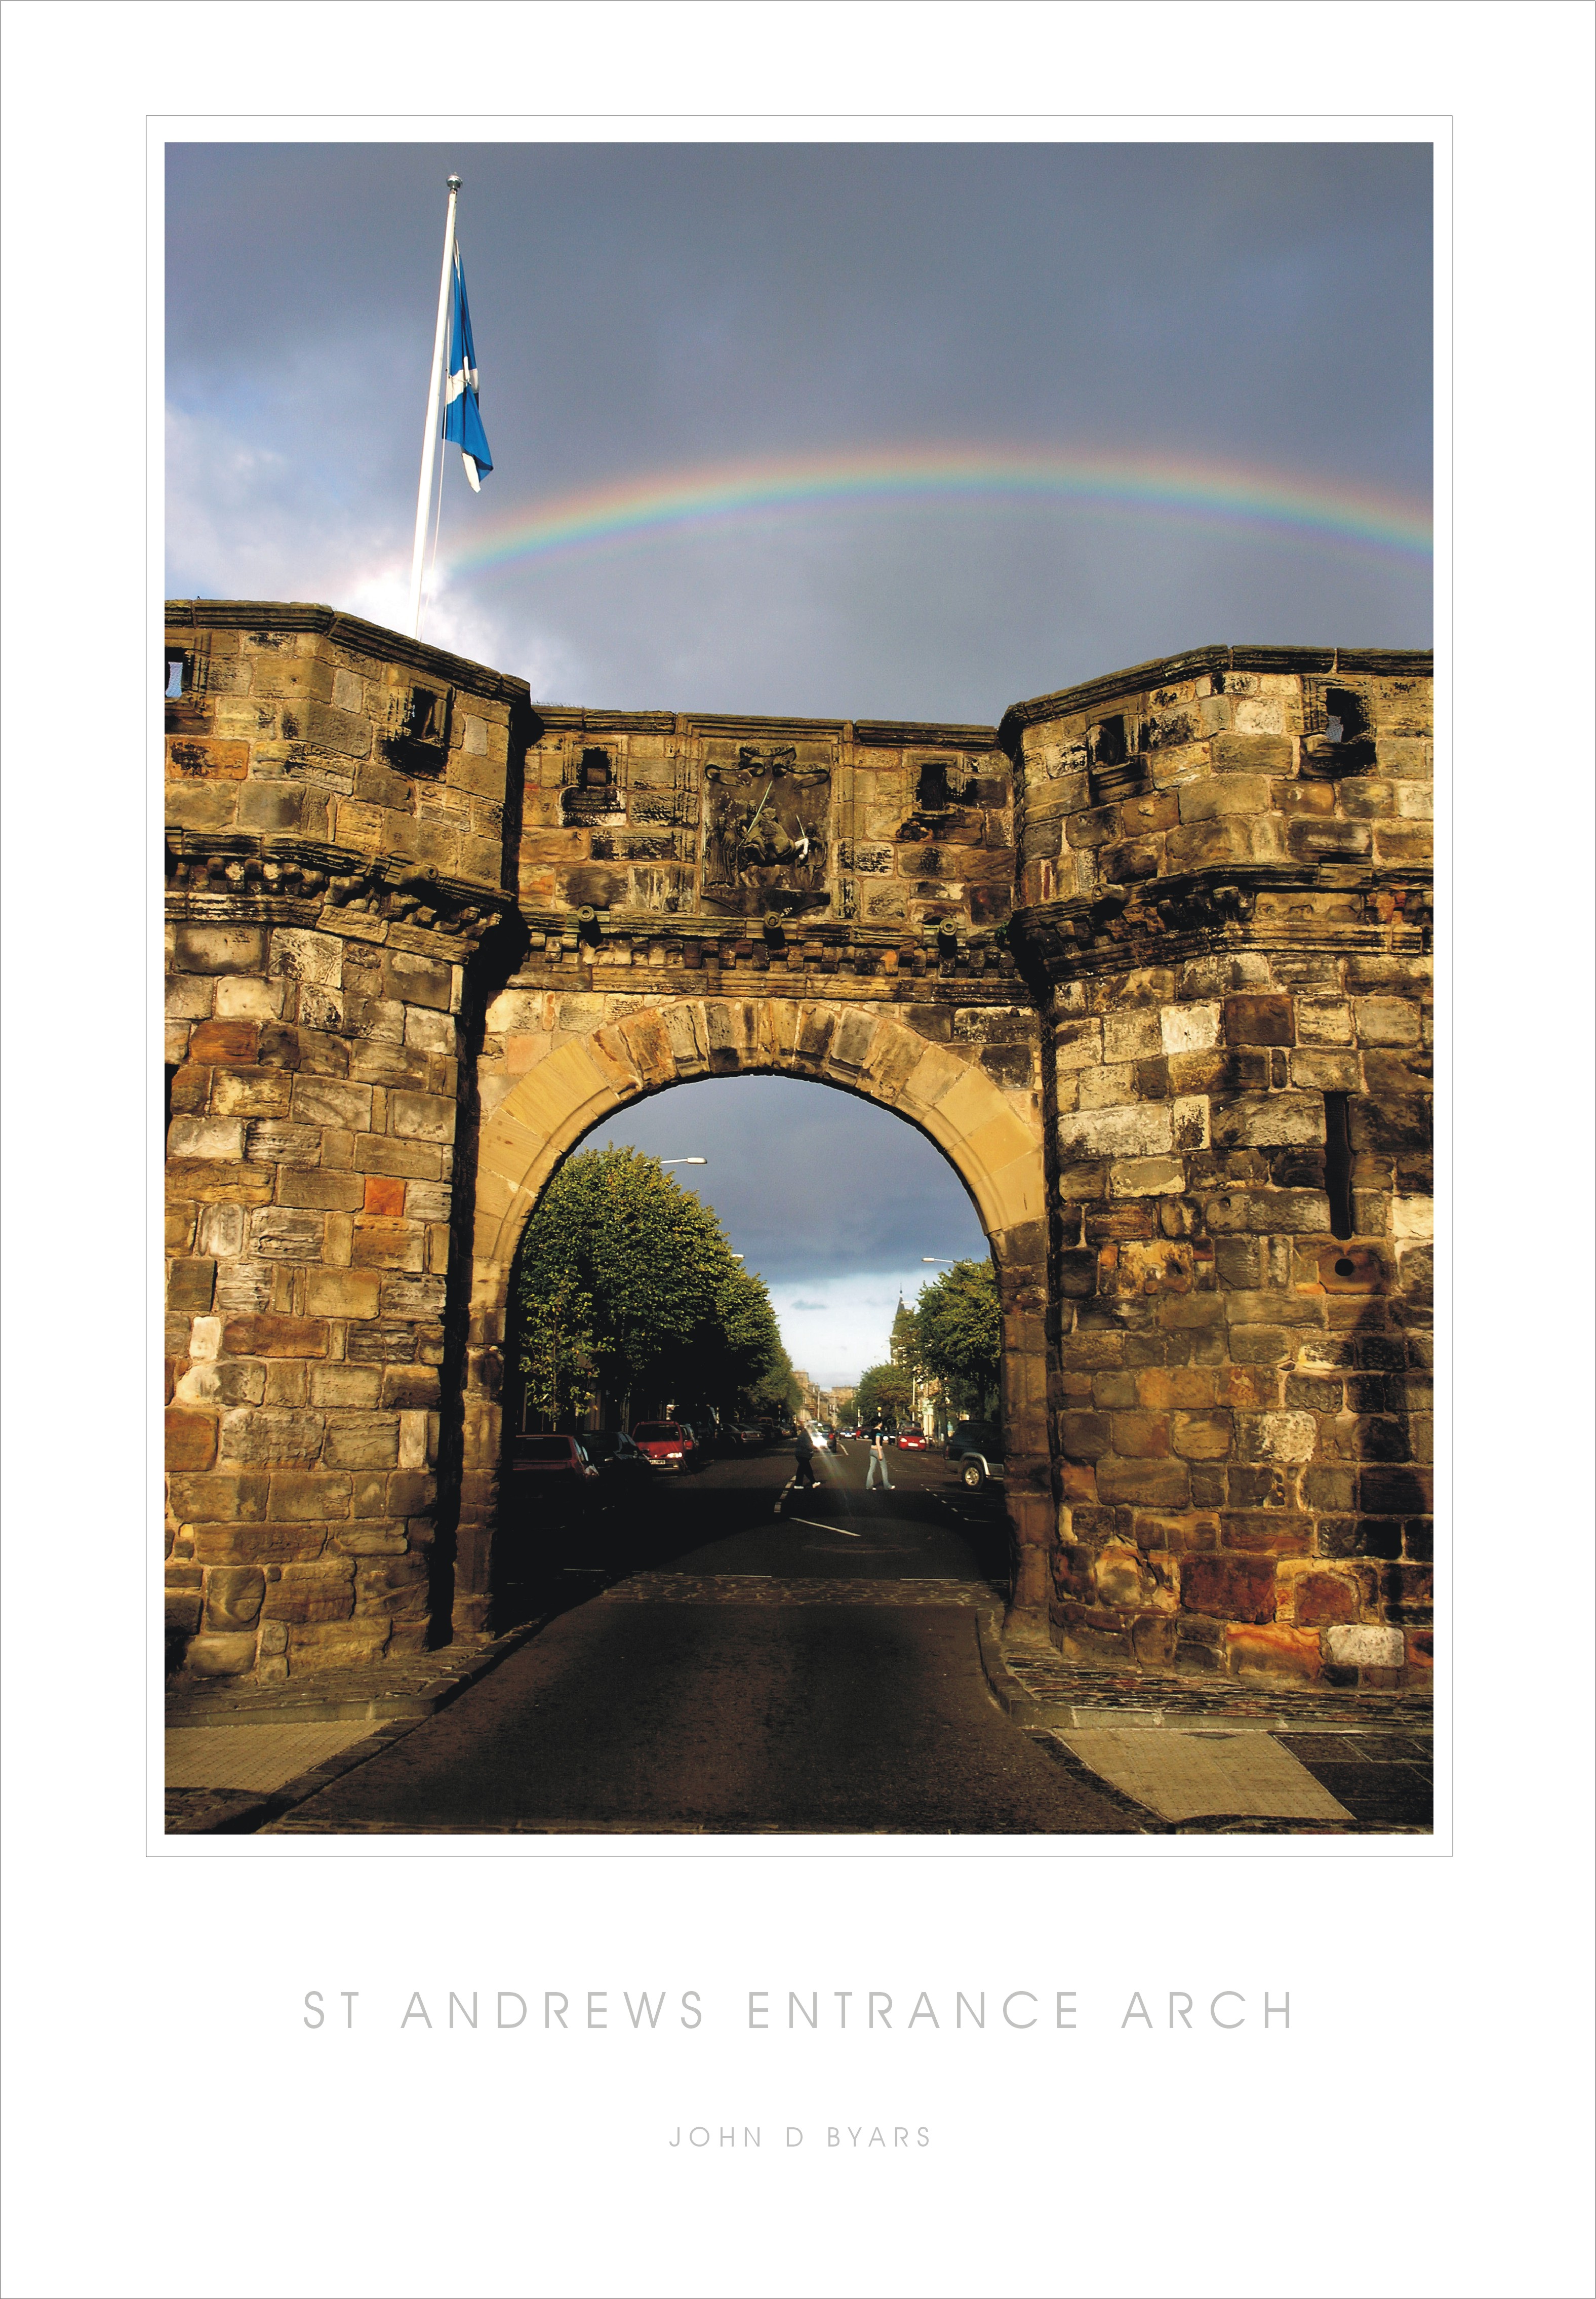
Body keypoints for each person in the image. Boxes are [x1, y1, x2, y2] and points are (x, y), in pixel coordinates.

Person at [865, 1425, 893, 1491]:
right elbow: (878, 1442)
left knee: (871, 1469)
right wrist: (880, 1453)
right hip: (877, 1451)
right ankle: (887, 1486)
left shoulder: (873, 1430)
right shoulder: (878, 1432)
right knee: (884, 1468)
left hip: (872, 1450)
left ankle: (869, 1486)